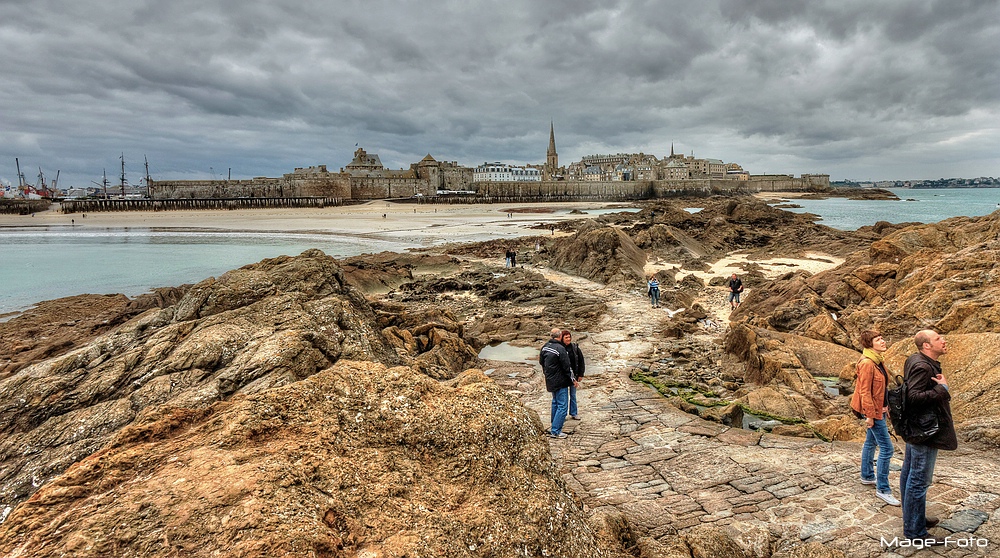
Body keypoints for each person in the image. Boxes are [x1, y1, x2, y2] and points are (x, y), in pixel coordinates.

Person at [899, 330, 957, 544]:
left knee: (909, 474)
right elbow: (913, 397)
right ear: (926, 346)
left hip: (916, 428)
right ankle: (915, 533)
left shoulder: (916, 359)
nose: (944, 340)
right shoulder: (922, 366)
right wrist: (942, 388)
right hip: (925, 431)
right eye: (938, 339)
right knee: (918, 480)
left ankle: (914, 519)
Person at [849, 331, 899, 506]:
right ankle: (883, 489)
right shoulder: (867, 363)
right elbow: (865, 392)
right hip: (873, 411)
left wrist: (887, 407)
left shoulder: (878, 360)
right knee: (887, 449)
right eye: (878, 340)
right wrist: (869, 415)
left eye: (882, 338)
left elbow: (882, 389)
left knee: (871, 443)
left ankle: (867, 476)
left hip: (880, 409)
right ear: (869, 344)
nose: (883, 341)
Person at [539, 328, 575, 439]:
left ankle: (554, 425)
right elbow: (566, 366)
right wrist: (572, 379)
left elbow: (541, 362)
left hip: (550, 380)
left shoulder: (545, 347)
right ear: (559, 336)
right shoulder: (560, 348)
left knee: (555, 402)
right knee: (562, 406)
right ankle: (556, 430)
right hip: (560, 381)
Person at [561, 330, 585, 420]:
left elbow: (581, 361)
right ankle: (562, 415)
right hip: (563, 377)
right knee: (563, 397)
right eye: (566, 337)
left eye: (569, 337)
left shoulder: (575, 348)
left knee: (573, 395)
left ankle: (574, 413)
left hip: (573, 375)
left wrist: (580, 374)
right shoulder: (560, 348)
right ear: (562, 338)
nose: (568, 339)